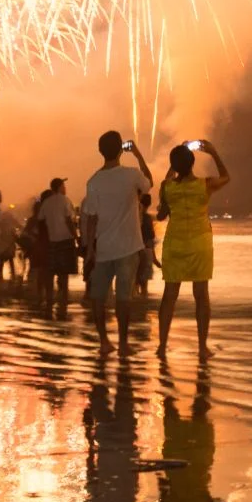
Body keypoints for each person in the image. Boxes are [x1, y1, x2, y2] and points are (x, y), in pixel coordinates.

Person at [156, 140, 231, 359]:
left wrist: (176, 160)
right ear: (192, 164)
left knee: (169, 296)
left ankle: (162, 346)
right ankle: (202, 347)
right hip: (199, 244)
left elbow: (161, 215)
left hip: (175, 243)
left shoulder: (167, 187)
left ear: (174, 166)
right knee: (201, 295)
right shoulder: (205, 184)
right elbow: (227, 177)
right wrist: (214, 152)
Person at [83, 132, 155, 357]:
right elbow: (149, 183)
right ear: (120, 150)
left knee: (98, 296)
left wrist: (89, 249)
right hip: (129, 247)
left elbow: (91, 218)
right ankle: (123, 344)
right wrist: (137, 153)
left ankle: (104, 341)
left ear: (100, 151)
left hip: (104, 248)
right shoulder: (131, 174)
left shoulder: (93, 181)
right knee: (124, 298)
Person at [38, 179, 77, 308]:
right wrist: (76, 236)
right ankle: (63, 300)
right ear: (60, 187)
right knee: (63, 273)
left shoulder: (47, 202)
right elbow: (69, 220)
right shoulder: (65, 200)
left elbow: (40, 220)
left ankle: (49, 298)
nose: (65, 188)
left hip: (52, 241)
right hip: (66, 240)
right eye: (64, 185)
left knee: (51, 271)